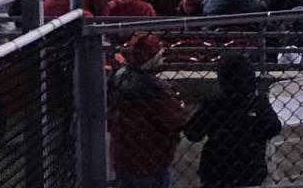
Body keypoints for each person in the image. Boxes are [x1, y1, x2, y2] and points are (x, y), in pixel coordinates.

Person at [183, 54, 280, 188]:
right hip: (250, 170)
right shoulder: (258, 103)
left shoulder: (214, 104)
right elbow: (274, 129)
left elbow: (192, 133)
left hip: (216, 170)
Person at [108, 32, 188, 188]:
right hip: (152, 160)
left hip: (123, 158)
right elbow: (176, 119)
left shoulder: (120, 78)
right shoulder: (156, 89)